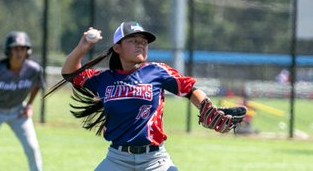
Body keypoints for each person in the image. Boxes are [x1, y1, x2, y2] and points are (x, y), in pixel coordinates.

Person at [48, 21, 247, 170]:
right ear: (117, 48)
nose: (141, 44)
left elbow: (189, 89)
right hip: (117, 159)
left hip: (155, 160)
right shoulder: (104, 79)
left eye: (144, 42)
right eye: (133, 41)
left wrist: (207, 108)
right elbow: (69, 73)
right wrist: (83, 47)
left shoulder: (157, 71)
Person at [0, 31, 44, 171]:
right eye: (15, 48)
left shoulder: (33, 69)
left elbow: (38, 85)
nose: (19, 52)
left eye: (22, 48)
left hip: (18, 111)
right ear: (8, 50)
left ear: (27, 51)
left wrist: (29, 105)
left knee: (32, 148)